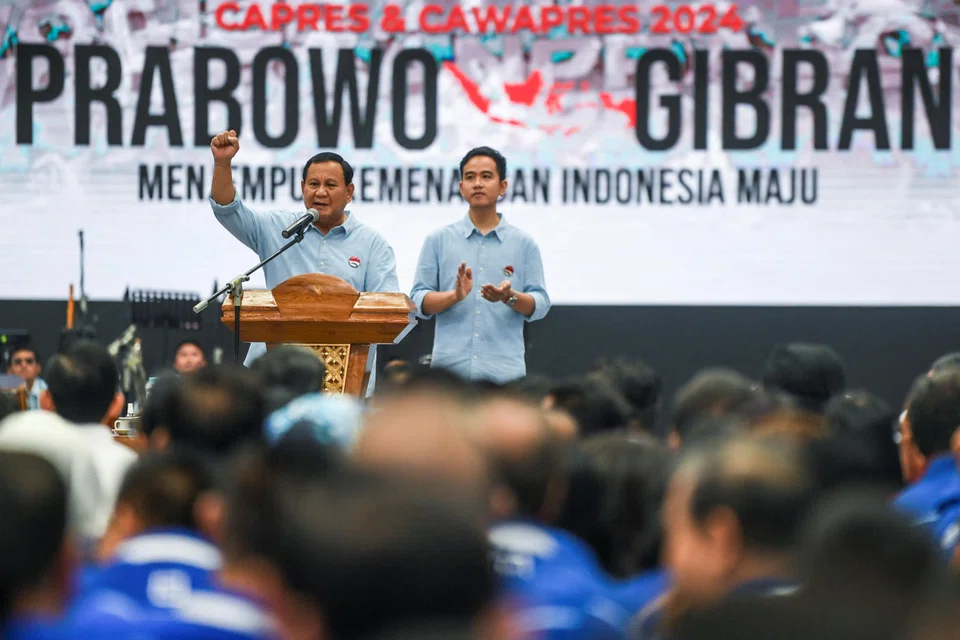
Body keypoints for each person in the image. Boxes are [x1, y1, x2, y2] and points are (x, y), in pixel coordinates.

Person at [207, 130, 399, 389]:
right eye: (313, 184)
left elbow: (385, 312)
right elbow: (228, 211)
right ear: (302, 188)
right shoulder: (278, 229)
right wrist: (222, 164)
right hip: (273, 376)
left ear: (349, 191)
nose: (320, 192)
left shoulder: (373, 245)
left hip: (343, 378)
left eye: (330, 185)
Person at [410, 146, 550, 383]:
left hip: (504, 375)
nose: (477, 183)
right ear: (461, 187)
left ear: (502, 186)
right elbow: (417, 301)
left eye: (486, 176)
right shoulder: (438, 240)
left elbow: (541, 304)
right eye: (470, 177)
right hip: (449, 375)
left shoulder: (523, 243)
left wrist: (509, 297)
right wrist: (453, 296)